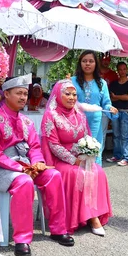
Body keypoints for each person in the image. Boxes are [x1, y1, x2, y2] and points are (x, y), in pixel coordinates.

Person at [0, 75, 75, 256]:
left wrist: (38, 163)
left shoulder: (27, 121)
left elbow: (35, 147)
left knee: (54, 176)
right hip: (4, 168)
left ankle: (58, 229)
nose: (23, 97)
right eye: (18, 93)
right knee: (24, 182)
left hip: (28, 165)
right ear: (6, 94)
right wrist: (18, 167)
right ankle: (22, 239)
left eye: (25, 93)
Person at [41, 80, 112, 236]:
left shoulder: (79, 113)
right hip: (60, 160)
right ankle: (91, 218)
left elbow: (87, 135)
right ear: (58, 96)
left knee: (98, 171)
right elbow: (53, 145)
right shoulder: (50, 115)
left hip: (80, 156)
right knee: (77, 173)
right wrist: (74, 160)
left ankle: (91, 215)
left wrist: (88, 153)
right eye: (67, 94)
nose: (72, 97)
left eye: (74, 94)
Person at [72, 50, 118, 165]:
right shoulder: (72, 81)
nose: (87, 64)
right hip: (75, 122)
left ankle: (93, 181)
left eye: (91, 61)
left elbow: (106, 103)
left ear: (96, 64)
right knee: (77, 153)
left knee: (94, 152)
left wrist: (111, 108)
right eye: (84, 61)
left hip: (95, 123)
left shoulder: (102, 83)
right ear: (80, 63)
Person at [107, 61, 128, 166]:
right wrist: (120, 97)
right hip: (115, 111)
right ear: (117, 71)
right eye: (120, 69)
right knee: (116, 135)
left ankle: (126, 158)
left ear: (127, 70)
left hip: (125, 112)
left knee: (125, 135)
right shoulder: (113, 84)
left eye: (124, 69)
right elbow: (111, 97)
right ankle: (117, 155)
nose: (122, 71)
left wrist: (117, 97)